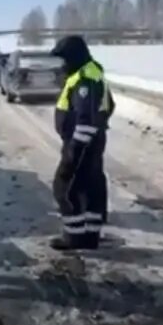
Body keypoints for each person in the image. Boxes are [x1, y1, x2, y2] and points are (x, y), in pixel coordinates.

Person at [48, 34, 115, 250]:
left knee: (64, 188)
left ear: (73, 57)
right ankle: (90, 236)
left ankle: (74, 237)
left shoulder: (85, 79)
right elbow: (108, 106)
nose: (62, 64)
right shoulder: (92, 72)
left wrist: (74, 151)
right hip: (93, 142)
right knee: (90, 187)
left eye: (64, 59)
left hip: (81, 143)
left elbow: (86, 119)